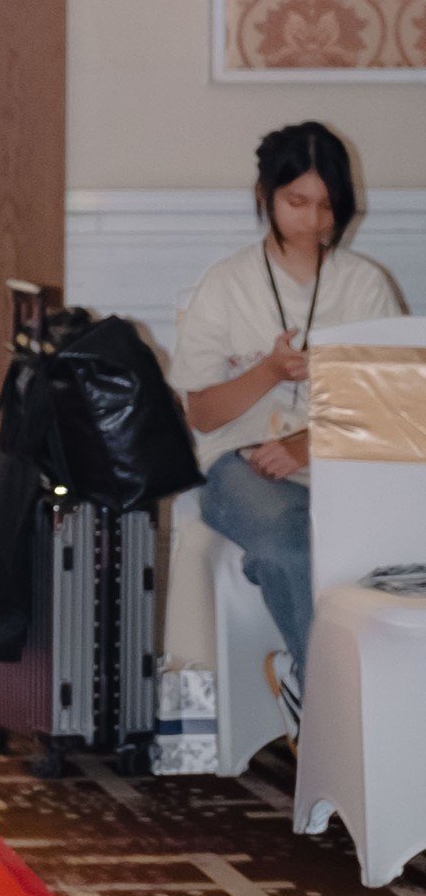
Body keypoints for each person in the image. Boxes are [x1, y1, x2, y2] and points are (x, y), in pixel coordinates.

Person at [172, 122, 402, 731]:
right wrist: (269, 371)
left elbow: (390, 407)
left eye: (327, 205)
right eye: (297, 202)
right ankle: (334, 714)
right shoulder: (227, 284)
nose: (313, 220)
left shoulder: (364, 284)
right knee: (289, 540)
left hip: (345, 462)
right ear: (264, 195)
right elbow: (202, 414)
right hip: (238, 463)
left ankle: (347, 694)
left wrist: (307, 445)